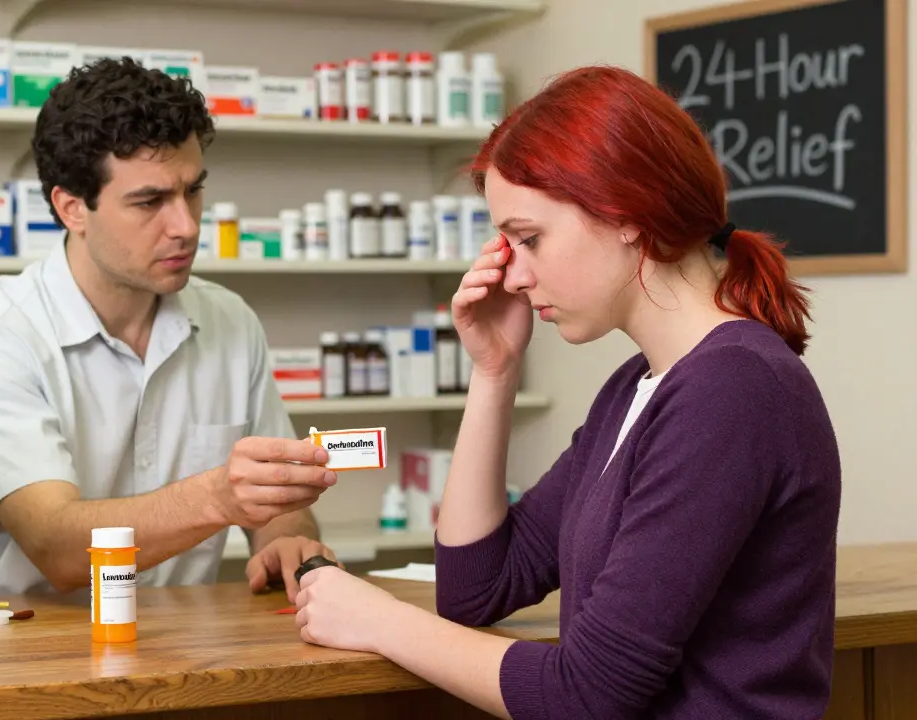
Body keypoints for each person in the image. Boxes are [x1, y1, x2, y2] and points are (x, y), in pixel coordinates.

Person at [292, 64, 841, 719]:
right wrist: (494, 371)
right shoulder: (635, 391)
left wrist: (376, 619)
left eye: (528, 239)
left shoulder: (733, 392)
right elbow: (474, 589)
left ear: (628, 214)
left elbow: (585, 695)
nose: (512, 275)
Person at [0, 58, 339, 605]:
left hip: (179, 655)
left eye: (192, 191)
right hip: (21, 661)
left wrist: (291, 542)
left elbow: (279, 506)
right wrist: (218, 497)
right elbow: (58, 547)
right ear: (72, 207)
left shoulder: (230, 322)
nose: (187, 226)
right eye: (150, 202)